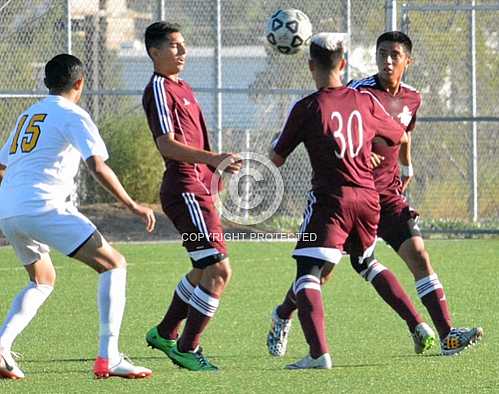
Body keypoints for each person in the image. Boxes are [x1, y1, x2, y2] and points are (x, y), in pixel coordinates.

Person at [268, 31, 483, 358]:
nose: (387, 61)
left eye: (394, 55)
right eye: (382, 53)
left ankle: (447, 335)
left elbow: (404, 136)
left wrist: (406, 170)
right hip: (357, 192)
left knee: (420, 257)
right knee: (322, 274)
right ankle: (285, 312)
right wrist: (359, 152)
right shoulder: (359, 91)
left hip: (388, 196)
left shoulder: (413, 98)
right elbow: (338, 123)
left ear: (407, 61)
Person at [0, 54, 156, 380]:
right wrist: (132, 204)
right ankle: (109, 356)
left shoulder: (28, 115)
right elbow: (97, 165)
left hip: (9, 209)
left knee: (42, 279)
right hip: (44, 207)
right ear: (80, 83)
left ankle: (1, 346)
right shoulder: (73, 114)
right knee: (114, 264)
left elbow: (1, 167)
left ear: (47, 82)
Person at [270, 32, 410, 369]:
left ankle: (318, 353)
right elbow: (400, 134)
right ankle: (417, 325)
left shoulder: (306, 107)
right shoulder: (364, 100)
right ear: (343, 64)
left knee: (308, 270)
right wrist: (402, 167)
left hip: (332, 198)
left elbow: (275, 158)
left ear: (310, 66)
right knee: (365, 262)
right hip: (368, 198)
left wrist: (282, 139)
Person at [142, 22, 241, 372]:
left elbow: (199, 140)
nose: (182, 52)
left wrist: (215, 171)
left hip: (198, 187)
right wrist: (211, 161)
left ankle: (166, 332)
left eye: (183, 45)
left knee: (203, 268)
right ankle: (187, 348)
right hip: (183, 189)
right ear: (154, 52)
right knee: (218, 269)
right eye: (174, 46)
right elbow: (166, 144)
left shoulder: (183, 87)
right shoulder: (158, 89)